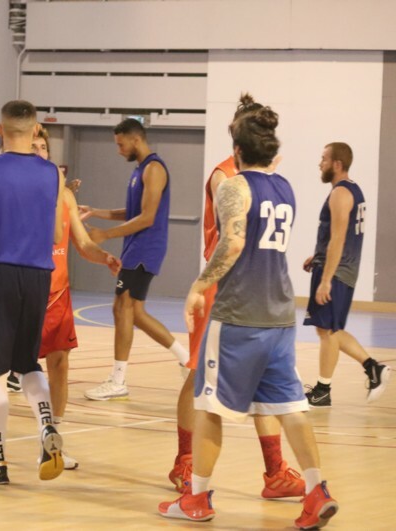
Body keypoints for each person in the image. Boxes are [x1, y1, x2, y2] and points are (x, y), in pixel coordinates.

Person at [159, 99, 338, 530]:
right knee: (291, 407)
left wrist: (198, 286)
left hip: (239, 314)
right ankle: (316, 490)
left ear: (237, 150)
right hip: (280, 314)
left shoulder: (234, 186)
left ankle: (197, 498)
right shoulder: (286, 188)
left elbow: (234, 243)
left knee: (209, 407)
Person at [0, 127, 120, 469]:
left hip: (54, 292)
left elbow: (81, 242)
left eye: (43, 146)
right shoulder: (8, 184)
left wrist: (103, 256)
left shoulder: (63, 194)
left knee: (56, 365)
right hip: (23, 284)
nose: (38, 151)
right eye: (33, 145)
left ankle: (51, 440)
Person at [169, 96, 304, 499]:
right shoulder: (226, 177)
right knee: (198, 373)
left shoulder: (262, 177)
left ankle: (276, 471)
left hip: (255, 290)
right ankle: (185, 461)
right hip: (221, 286)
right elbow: (231, 238)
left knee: (266, 384)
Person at [0, 100, 66, 485]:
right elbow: (57, 232)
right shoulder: (52, 173)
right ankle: (47, 424)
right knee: (28, 363)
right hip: (38, 275)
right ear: (36, 130)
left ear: (0, 130)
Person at [81, 119, 189, 400]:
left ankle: (118, 380)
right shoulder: (140, 170)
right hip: (135, 247)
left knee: (123, 309)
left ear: (135, 139)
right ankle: (187, 360)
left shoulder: (154, 169)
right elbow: (132, 212)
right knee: (133, 312)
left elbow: (147, 217)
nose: (119, 150)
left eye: (121, 144)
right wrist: (95, 211)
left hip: (145, 248)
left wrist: (105, 234)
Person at [302, 142, 390, 407]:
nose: (320, 163)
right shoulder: (354, 189)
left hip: (337, 272)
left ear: (337, 164)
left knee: (328, 331)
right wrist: (318, 255)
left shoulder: (340, 193)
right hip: (341, 269)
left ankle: (327, 388)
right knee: (328, 329)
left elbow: (339, 239)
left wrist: (326, 279)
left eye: (324, 159)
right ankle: (369, 369)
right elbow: (340, 235)